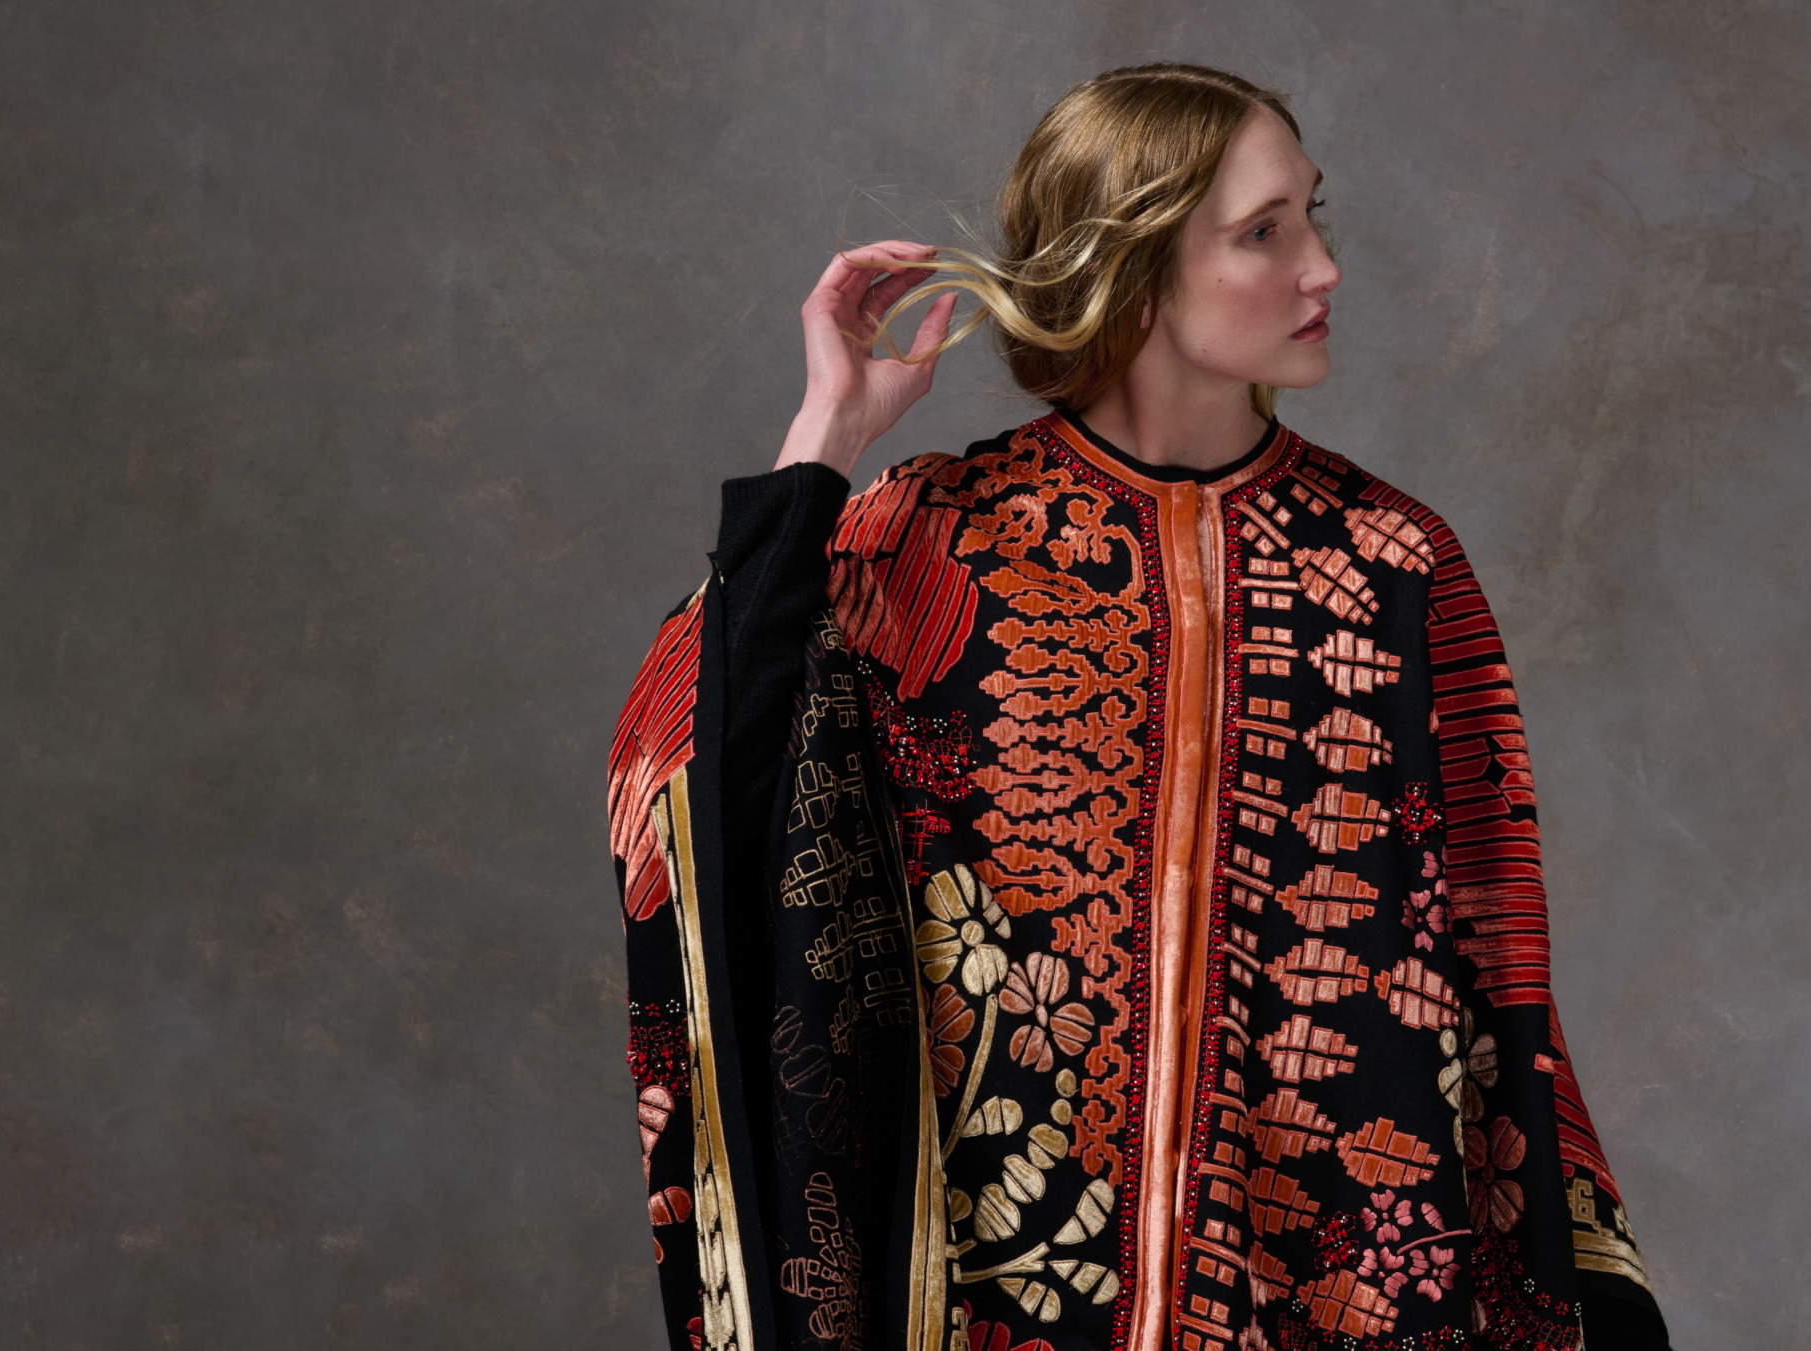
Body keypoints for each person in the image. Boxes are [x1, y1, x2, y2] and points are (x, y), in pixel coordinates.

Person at [608, 63, 1668, 1351]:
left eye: (1313, 216)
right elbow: (696, 776)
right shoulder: (929, 539)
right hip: (999, 1295)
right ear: (1137, 265)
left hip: (1326, 1292)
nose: (1324, 268)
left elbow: (1496, 964)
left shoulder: (1397, 563)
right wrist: (825, 442)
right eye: (1265, 232)